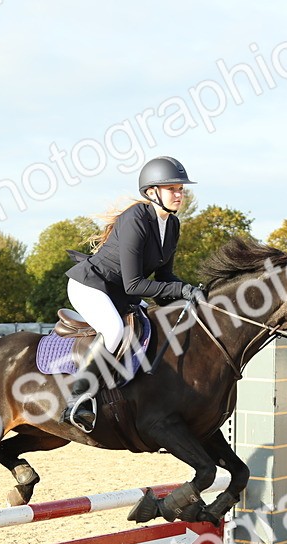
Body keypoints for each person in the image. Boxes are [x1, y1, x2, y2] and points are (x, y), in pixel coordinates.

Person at [61, 156, 203, 430]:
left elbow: (164, 278)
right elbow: (135, 285)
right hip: (91, 286)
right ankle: (77, 400)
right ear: (152, 192)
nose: (179, 194)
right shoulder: (135, 219)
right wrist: (181, 289)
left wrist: (189, 294)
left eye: (181, 189)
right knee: (114, 330)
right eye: (172, 188)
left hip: (121, 293)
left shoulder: (172, 225)